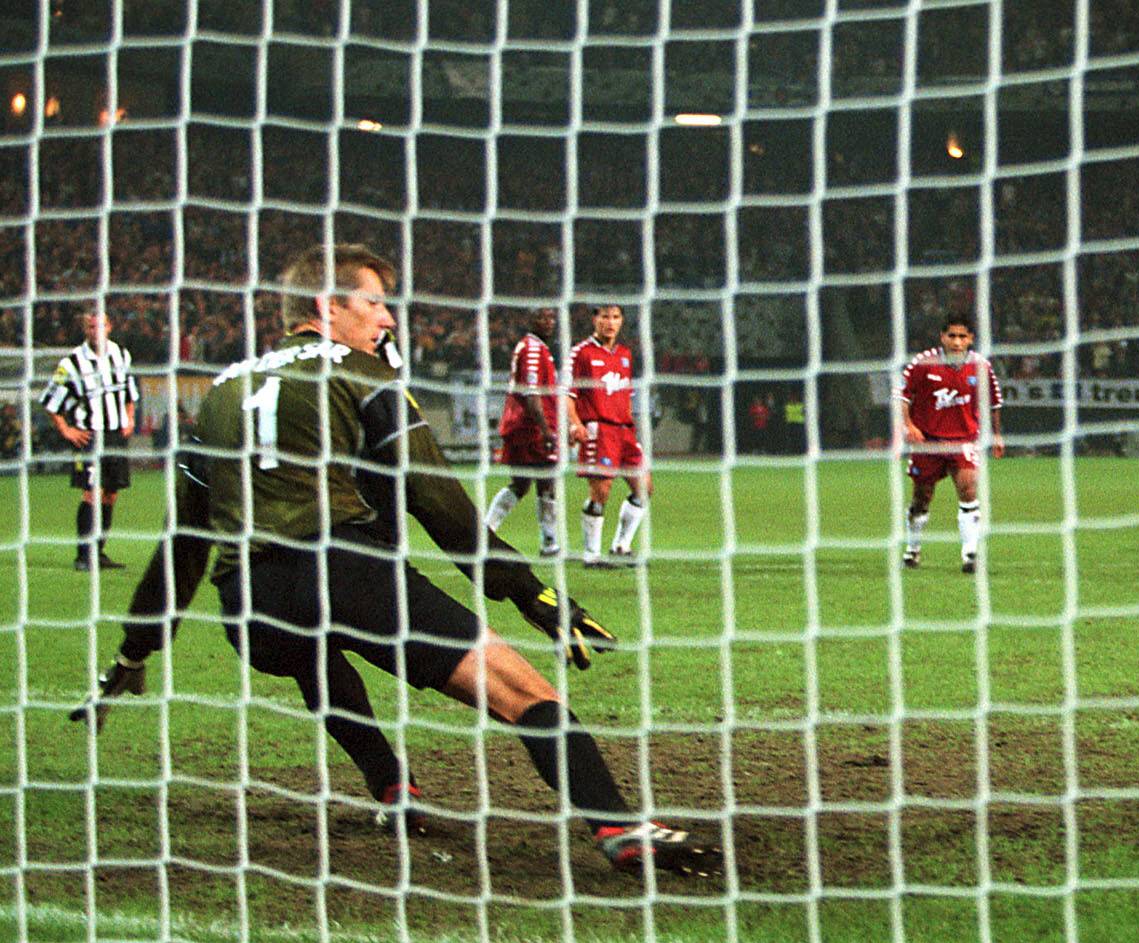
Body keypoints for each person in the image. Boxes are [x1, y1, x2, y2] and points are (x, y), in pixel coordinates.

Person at [69, 244, 720, 877]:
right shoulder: (363, 372)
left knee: (314, 659)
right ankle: (617, 828)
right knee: (525, 692)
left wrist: (133, 653)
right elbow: (438, 500)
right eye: (375, 303)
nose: (387, 318)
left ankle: (390, 784)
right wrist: (533, 595)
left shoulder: (219, 393)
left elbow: (182, 546)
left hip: (250, 603)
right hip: (349, 574)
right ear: (328, 307)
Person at [895, 311, 1005, 574]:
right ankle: (912, 549)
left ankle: (970, 555)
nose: (957, 342)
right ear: (942, 337)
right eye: (952, 336)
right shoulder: (923, 363)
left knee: (968, 489)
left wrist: (998, 434)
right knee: (922, 497)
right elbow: (902, 395)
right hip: (928, 441)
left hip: (964, 439)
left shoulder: (981, 366)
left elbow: (993, 402)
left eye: (962, 336)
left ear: (971, 339)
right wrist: (908, 425)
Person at [39, 308, 140, 571]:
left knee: (111, 494)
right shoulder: (71, 363)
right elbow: (51, 402)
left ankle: (98, 552)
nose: (97, 332)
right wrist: (66, 430)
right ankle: (83, 555)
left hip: (116, 435)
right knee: (92, 492)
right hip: (91, 437)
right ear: (86, 331)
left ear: (110, 327)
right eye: (91, 327)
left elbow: (130, 392)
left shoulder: (121, 355)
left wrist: (129, 417)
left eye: (101, 326)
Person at [484, 308, 583, 557]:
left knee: (522, 484)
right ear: (529, 321)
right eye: (542, 318)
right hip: (529, 429)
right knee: (546, 482)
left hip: (527, 427)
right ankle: (549, 544)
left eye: (551, 318)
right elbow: (531, 394)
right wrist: (546, 430)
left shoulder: (536, 348)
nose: (548, 323)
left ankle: (487, 532)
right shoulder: (532, 349)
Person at [570, 304, 653, 567]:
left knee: (644, 487)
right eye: (604, 316)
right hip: (598, 428)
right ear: (594, 319)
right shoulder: (581, 354)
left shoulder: (625, 355)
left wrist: (631, 428)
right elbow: (567, 395)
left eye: (615, 317)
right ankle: (591, 555)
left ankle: (621, 546)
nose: (610, 322)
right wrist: (575, 425)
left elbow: (626, 397)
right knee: (601, 491)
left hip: (624, 431)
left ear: (622, 321)